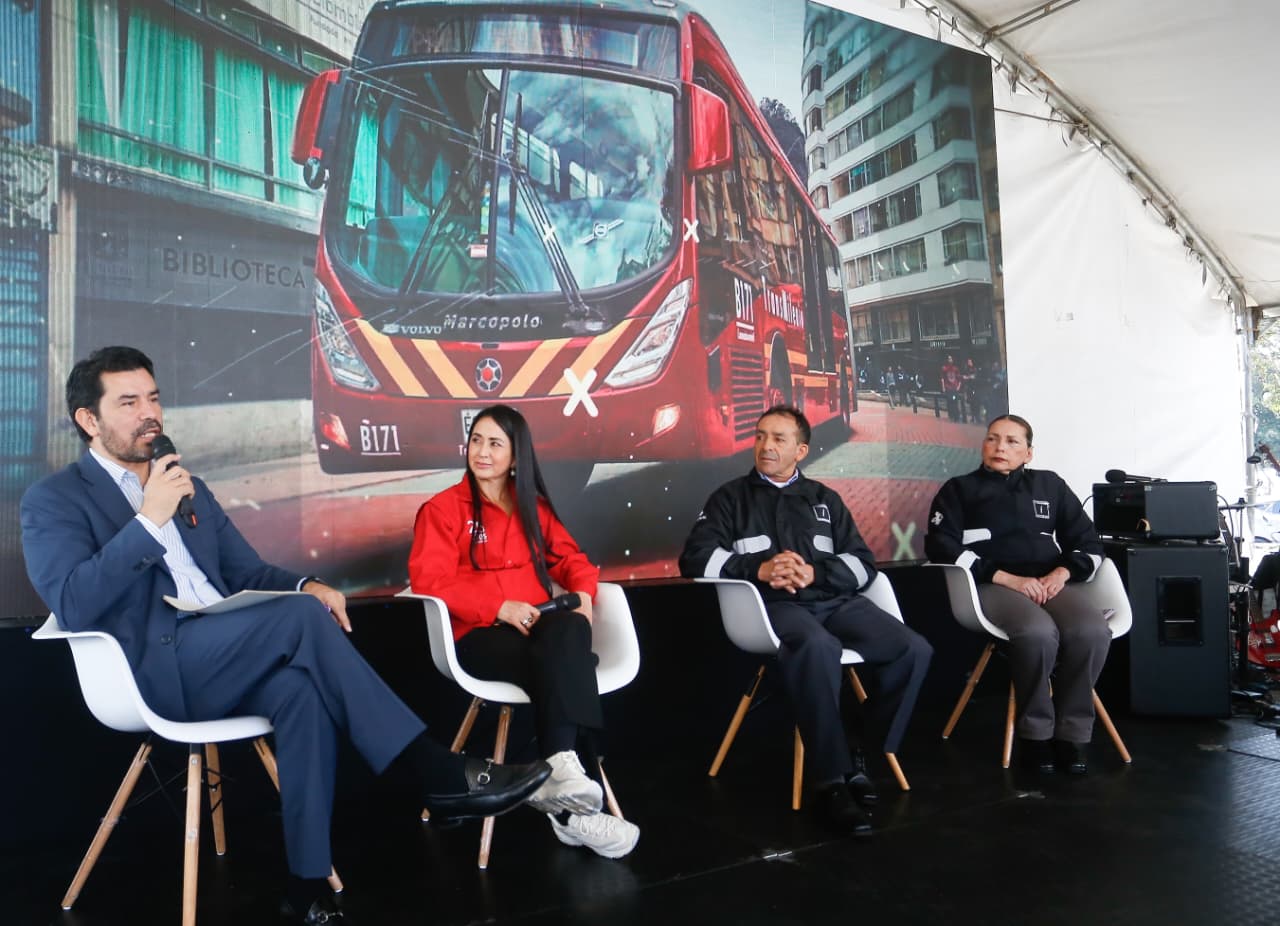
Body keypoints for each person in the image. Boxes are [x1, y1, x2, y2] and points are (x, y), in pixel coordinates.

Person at [21, 347, 550, 924]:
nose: (149, 413)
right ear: (89, 420)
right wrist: (149, 520)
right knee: (299, 619)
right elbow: (72, 603)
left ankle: (305, 885)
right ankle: (431, 771)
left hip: (227, 653)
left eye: (153, 398)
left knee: (301, 687)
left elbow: (246, 572)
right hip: (156, 671)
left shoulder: (188, 487)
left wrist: (307, 583)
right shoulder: (55, 499)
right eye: (128, 402)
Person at [679, 406, 932, 836]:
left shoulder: (825, 499)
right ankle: (831, 783)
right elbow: (694, 558)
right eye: (760, 436)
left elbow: (862, 563)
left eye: (778, 439)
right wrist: (758, 568)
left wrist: (816, 573)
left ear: (801, 450)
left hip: (837, 602)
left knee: (913, 649)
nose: (766, 446)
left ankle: (857, 746)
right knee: (818, 647)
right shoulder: (729, 498)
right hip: (775, 608)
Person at [409, 405, 640, 859]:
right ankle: (571, 801)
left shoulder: (532, 506)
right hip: (478, 636)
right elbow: (429, 582)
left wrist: (584, 594)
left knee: (569, 631)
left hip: (538, 629)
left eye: (495, 443)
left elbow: (571, 560)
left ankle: (560, 780)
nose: (482, 451)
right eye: (476, 440)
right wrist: (498, 606)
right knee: (570, 668)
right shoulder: (442, 509)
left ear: (516, 456)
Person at [924, 414, 1109, 774]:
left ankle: (1072, 734)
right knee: (1037, 633)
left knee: (1091, 631)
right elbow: (940, 545)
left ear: (1029, 452)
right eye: (992, 439)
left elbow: (1088, 542)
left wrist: (1062, 573)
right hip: (992, 586)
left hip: (1046, 582)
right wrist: (1006, 578)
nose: (1000, 447)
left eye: (1011, 441)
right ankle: (1035, 734)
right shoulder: (959, 489)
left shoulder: (1050, 485)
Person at [940, 355, 963, 423]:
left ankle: (956, 416)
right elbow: (942, 378)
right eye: (949, 359)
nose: (950, 360)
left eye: (951, 359)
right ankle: (952, 415)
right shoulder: (944, 368)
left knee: (955, 401)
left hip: (954, 387)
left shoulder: (956, 368)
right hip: (948, 387)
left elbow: (959, 378)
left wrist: (958, 386)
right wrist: (943, 387)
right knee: (950, 402)